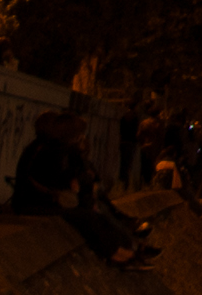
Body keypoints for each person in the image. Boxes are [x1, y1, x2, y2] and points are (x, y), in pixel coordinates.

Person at [12, 113, 155, 270]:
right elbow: (53, 181)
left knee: (93, 213)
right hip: (32, 204)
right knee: (87, 217)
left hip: (39, 200)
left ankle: (122, 250)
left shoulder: (46, 148)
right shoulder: (45, 150)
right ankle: (116, 254)